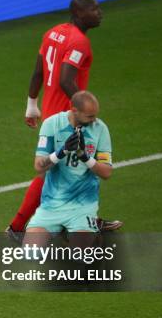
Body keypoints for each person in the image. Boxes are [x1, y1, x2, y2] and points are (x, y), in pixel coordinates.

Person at [7, 0, 121, 241]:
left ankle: (85, 218)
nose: (100, 13)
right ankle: (16, 227)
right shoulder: (79, 42)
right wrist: (85, 111)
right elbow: (66, 79)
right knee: (54, 171)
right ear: (80, 14)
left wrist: (32, 104)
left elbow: (39, 71)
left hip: (51, 109)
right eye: (95, 9)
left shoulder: (53, 32)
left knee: (74, 167)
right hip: (67, 115)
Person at [24, 91, 112, 247]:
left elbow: (106, 173)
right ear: (74, 111)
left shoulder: (100, 129)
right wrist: (61, 152)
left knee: (82, 257)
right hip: (52, 205)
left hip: (82, 205)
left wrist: (85, 156)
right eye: (89, 117)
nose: (94, 121)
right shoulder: (52, 124)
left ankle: (91, 235)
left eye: (95, 116)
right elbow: (38, 166)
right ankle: (66, 234)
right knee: (31, 251)